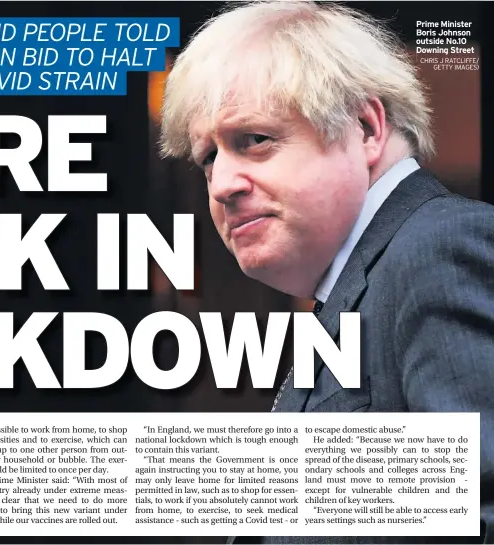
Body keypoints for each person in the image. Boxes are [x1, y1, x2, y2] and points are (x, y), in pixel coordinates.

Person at [159, 1, 494, 543]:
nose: (221, 184)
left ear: (365, 127)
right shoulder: (361, 289)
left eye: (255, 140)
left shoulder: (438, 251)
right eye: (208, 159)